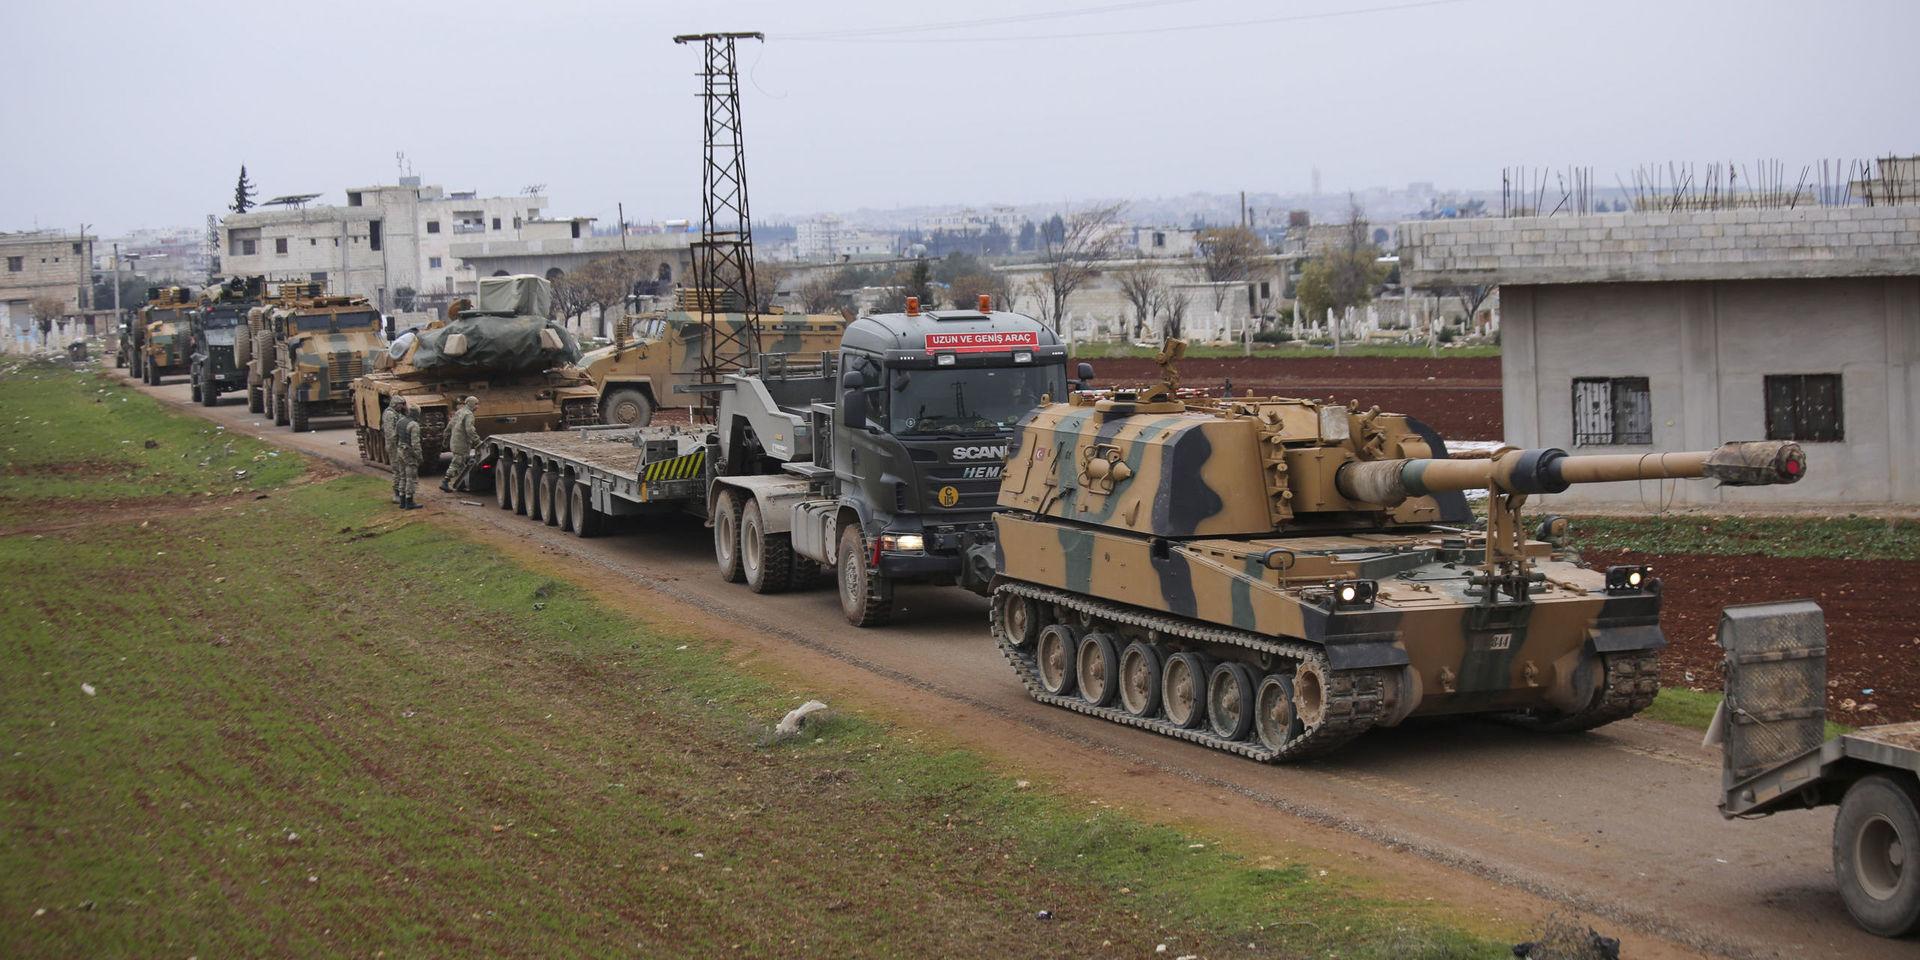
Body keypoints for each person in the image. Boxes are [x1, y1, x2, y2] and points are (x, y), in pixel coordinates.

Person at [441, 395, 480, 492]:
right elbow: (469, 430)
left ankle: (461, 485)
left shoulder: (459, 412)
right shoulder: (469, 414)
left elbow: (449, 426)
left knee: (462, 465)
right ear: (471, 404)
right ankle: (445, 482)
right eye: (476, 404)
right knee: (456, 463)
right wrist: (477, 441)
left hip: (454, 442)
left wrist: (445, 440)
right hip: (461, 443)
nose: (477, 406)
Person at [395, 401, 423, 510]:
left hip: (399, 450)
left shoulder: (400, 421)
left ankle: (402, 501)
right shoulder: (414, 425)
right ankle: (409, 501)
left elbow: (395, 436)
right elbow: (416, 444)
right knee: (411, 477)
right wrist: (419, 456)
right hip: (408, 453)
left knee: (402, 476)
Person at [382, 398, 405, 503]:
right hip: (394, 446)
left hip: (398, 445)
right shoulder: (390, 414)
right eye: (400, 404)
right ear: (395, 404)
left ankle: (402, 492)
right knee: (397, 470)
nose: (402, 406)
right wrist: (398, 441)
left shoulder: (397, 413)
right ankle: (396, 494)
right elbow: (389, 432)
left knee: (402, 469)